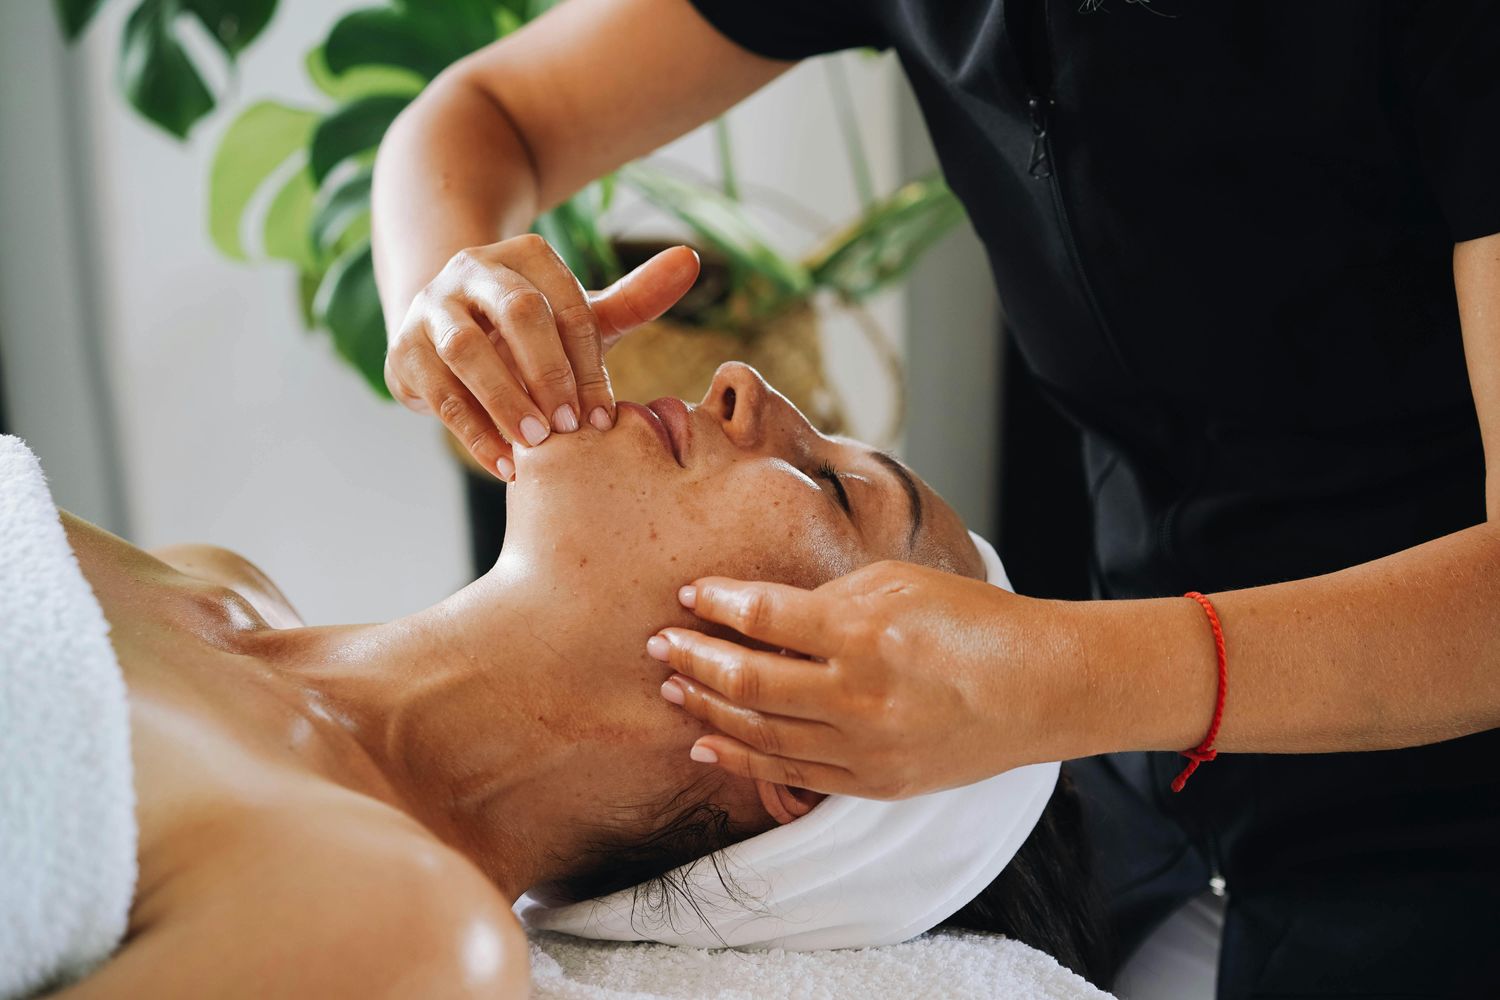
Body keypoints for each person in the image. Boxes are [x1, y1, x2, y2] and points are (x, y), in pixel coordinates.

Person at [370, 1, 1500, 995]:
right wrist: (451, 298)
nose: (738, 385)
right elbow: (487, 114)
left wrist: (1062, 675)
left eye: (833, 485)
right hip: (1145, 769)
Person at [40, 365, 1106, 997]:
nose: (745, 383)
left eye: (834, 486)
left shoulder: (397, 929)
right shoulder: (213, 581)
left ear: (802, 742)